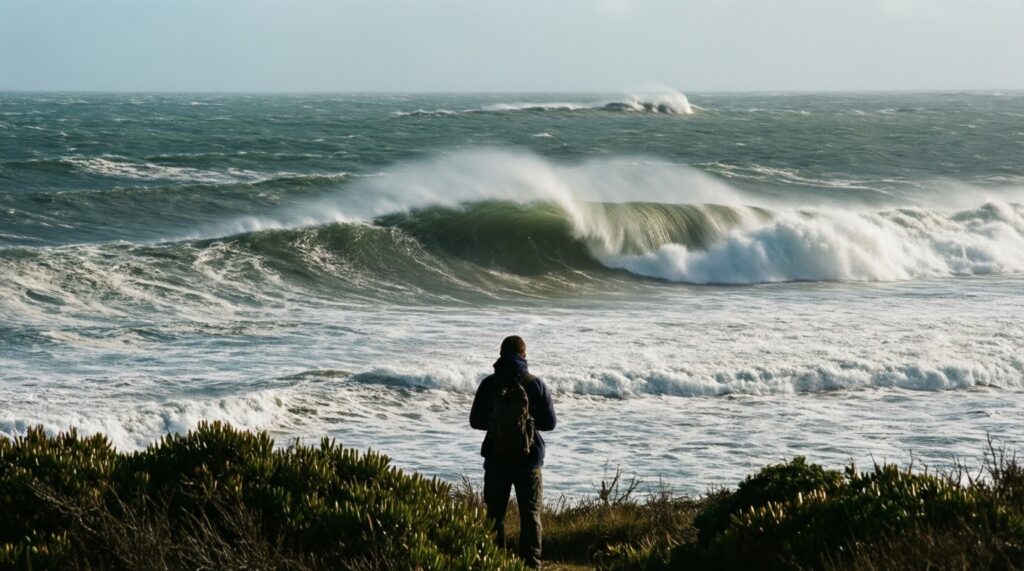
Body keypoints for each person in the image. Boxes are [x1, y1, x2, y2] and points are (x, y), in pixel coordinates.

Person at [470, 335, 557, 569]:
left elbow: (475, 421)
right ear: (524, 355)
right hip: (529, 462)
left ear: (500, 354)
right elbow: (550, 424)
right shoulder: (535, 384)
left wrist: (496, 422)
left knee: (494, 515)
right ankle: (531, 565)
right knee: (530, 516)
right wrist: (528, 423)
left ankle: (494, 563)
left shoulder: (489, 384)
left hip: (496, 460)